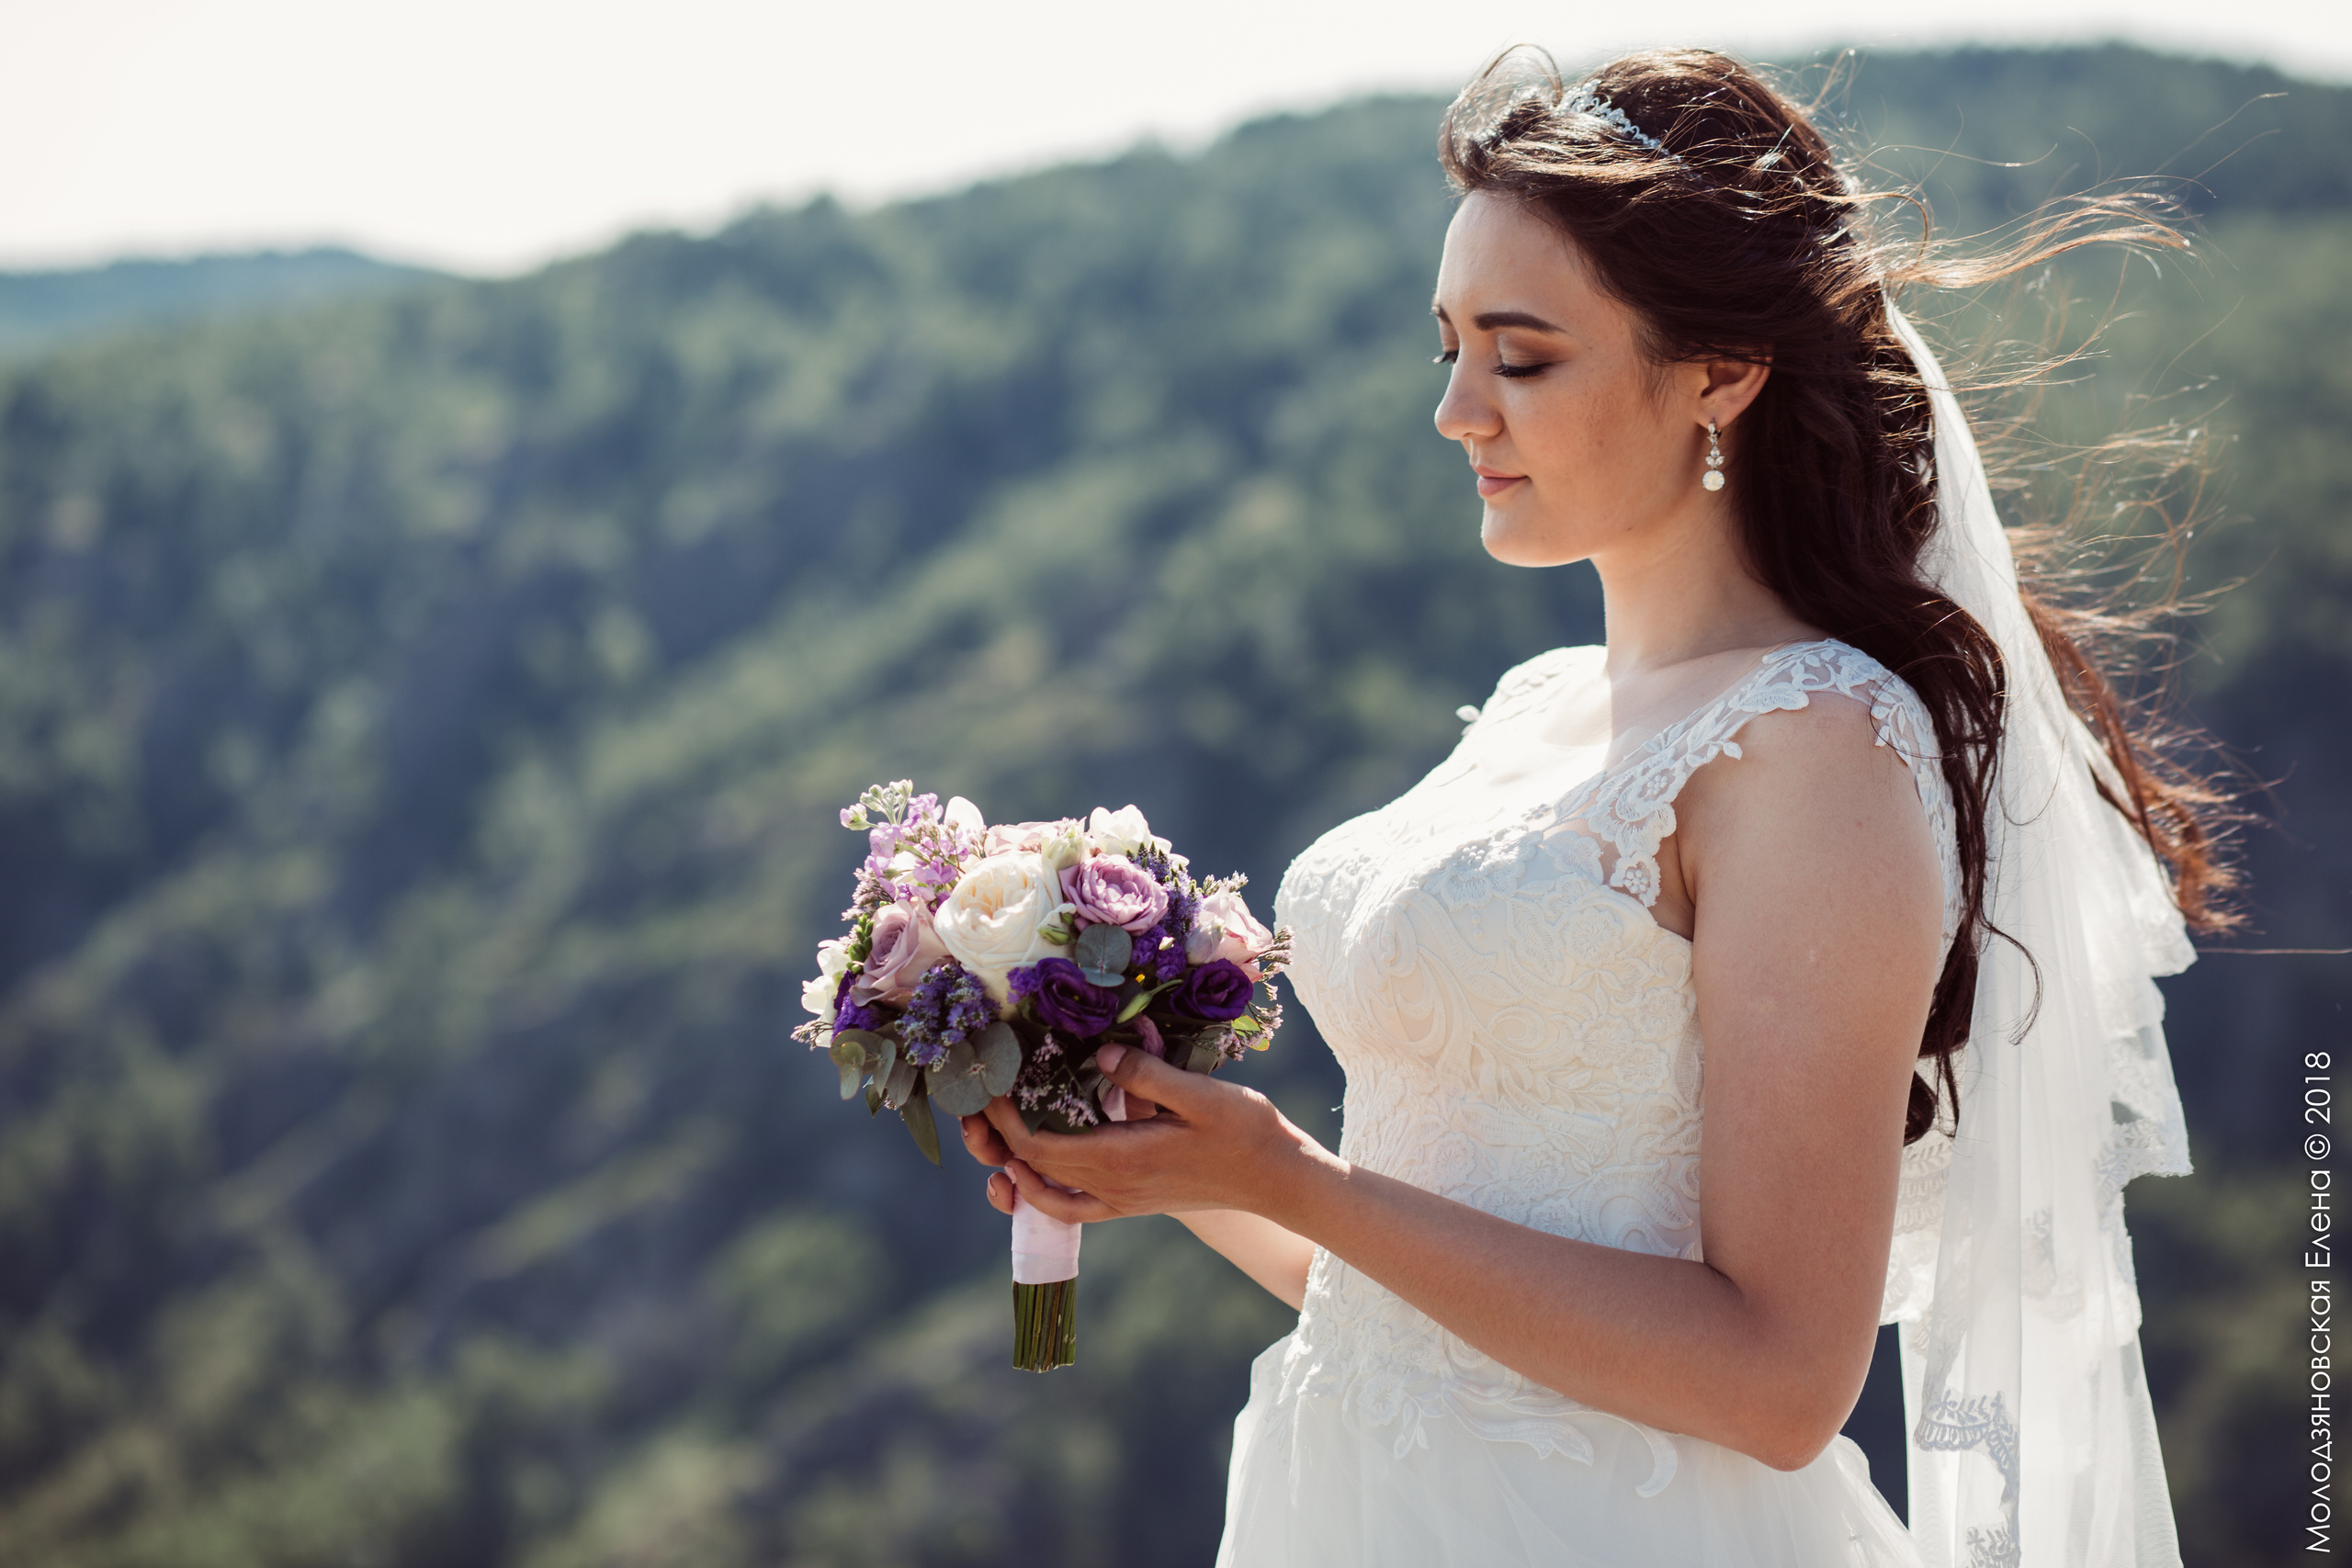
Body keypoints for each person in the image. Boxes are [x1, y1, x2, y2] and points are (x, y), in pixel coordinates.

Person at [958, 46, 2232, 1567]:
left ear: (1720, 373)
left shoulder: (1813, 747)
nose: (1456, 412)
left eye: (1523, 358)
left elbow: (1779, 1381)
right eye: (1449, 348)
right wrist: (1174, 1170)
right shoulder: (1532, 706)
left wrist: (1289, 1172)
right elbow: (1418, 1299)